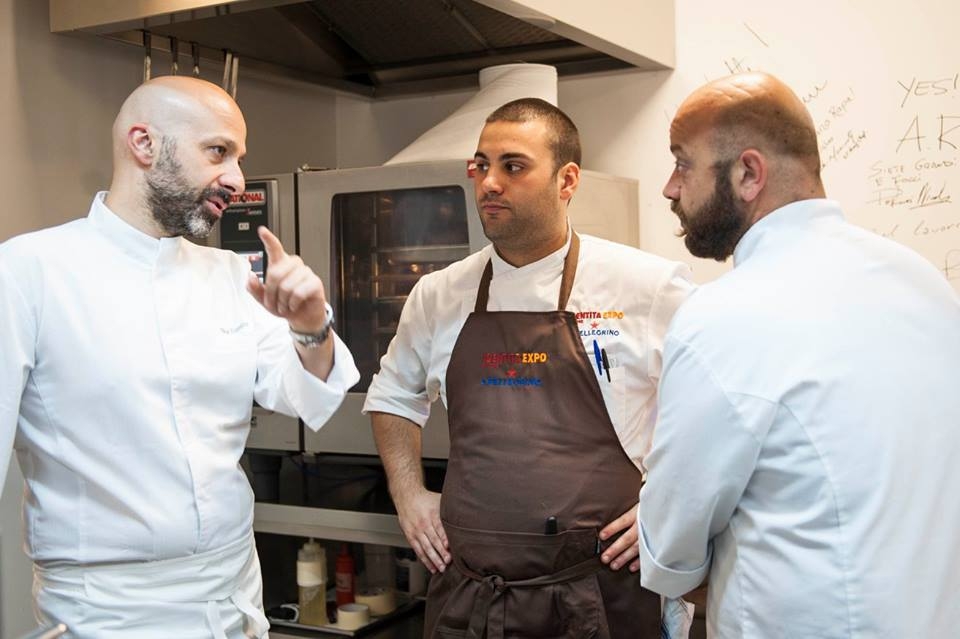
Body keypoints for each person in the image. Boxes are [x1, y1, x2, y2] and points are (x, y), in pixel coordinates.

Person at [0, 76, 359, 637]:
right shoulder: (28, 273)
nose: (237, 179)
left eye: (239, 157)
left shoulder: (230, 274)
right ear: (143, 144)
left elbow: (304, 394)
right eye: (218, 151)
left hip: (233, 595)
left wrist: (312, 325)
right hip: (107, 611)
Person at [638, 71, 960, 638]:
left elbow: (671, 547)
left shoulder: (721, 318)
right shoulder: (922, 280)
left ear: (748, 173)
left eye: (682, 162)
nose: (669, 187)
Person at [364, 98, 695, 638]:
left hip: (598, 598)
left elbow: (719, 409)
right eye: (481, 165)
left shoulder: (649, 288)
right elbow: (392, 397)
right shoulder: (440, 294)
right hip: (470, 598)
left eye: (513, 166)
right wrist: (409, 494)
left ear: (567, 181)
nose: (489, 183)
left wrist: (673, 499)